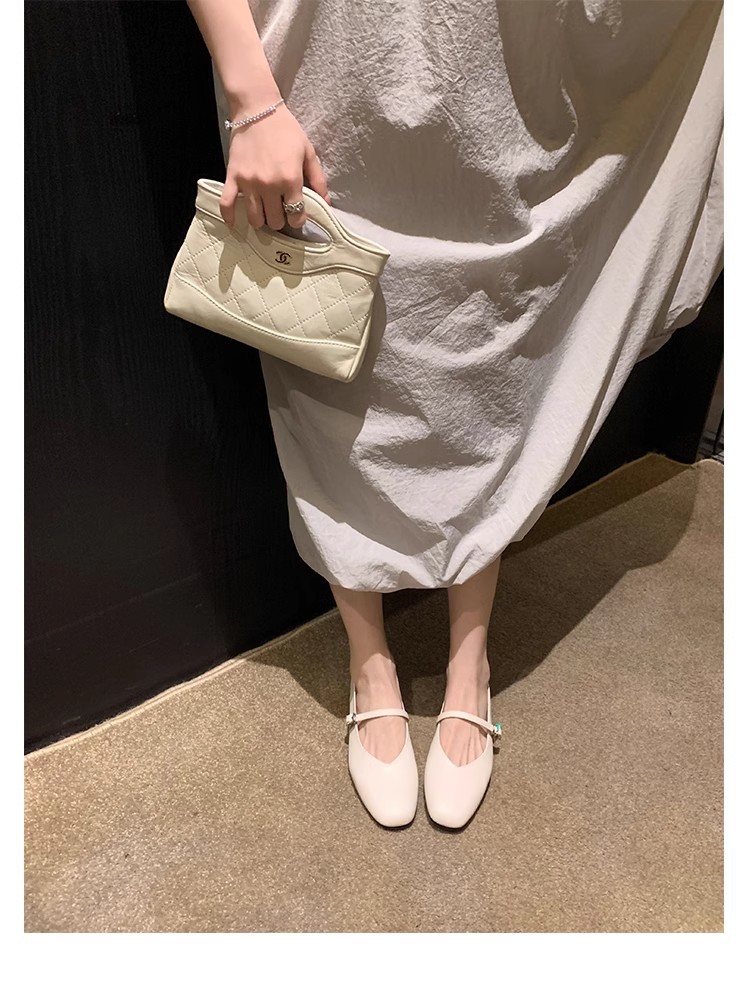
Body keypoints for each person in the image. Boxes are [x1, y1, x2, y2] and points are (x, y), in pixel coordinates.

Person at [185, 0, 724, 829]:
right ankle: (371, 666)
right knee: (327, 359)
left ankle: (469, 666)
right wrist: (251, 97)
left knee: (487, 363)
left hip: (504, 66)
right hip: (316, 63)